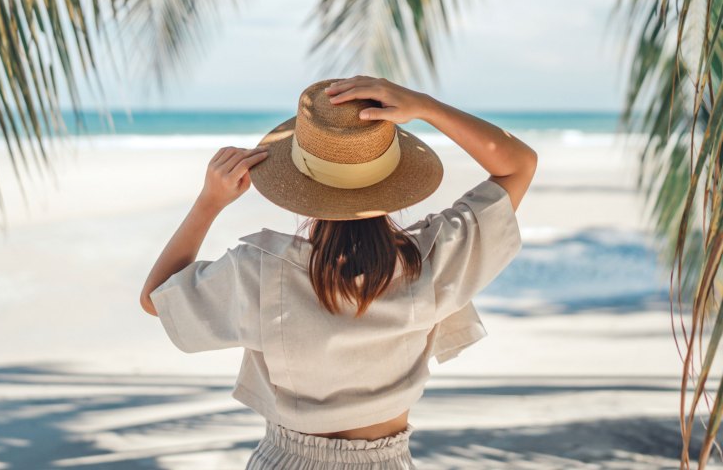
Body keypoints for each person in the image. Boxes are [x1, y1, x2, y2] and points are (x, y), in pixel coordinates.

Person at [139, 75, 537, 469]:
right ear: (395, 177)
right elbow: (518, 165)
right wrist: (425, 107)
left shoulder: (259, 269)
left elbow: (157, 298)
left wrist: (209, 202)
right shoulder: (432, 259)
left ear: (298, 183)